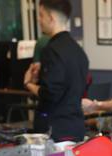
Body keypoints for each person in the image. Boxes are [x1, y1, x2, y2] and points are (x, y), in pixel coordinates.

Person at [23, 0, 88, 141]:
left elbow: (49, 94)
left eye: (41, 15)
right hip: (76, 126)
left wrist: (28, 83)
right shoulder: (79, 51)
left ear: (51, 18)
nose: (39, 20)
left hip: (54, 130)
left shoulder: (51, 50)